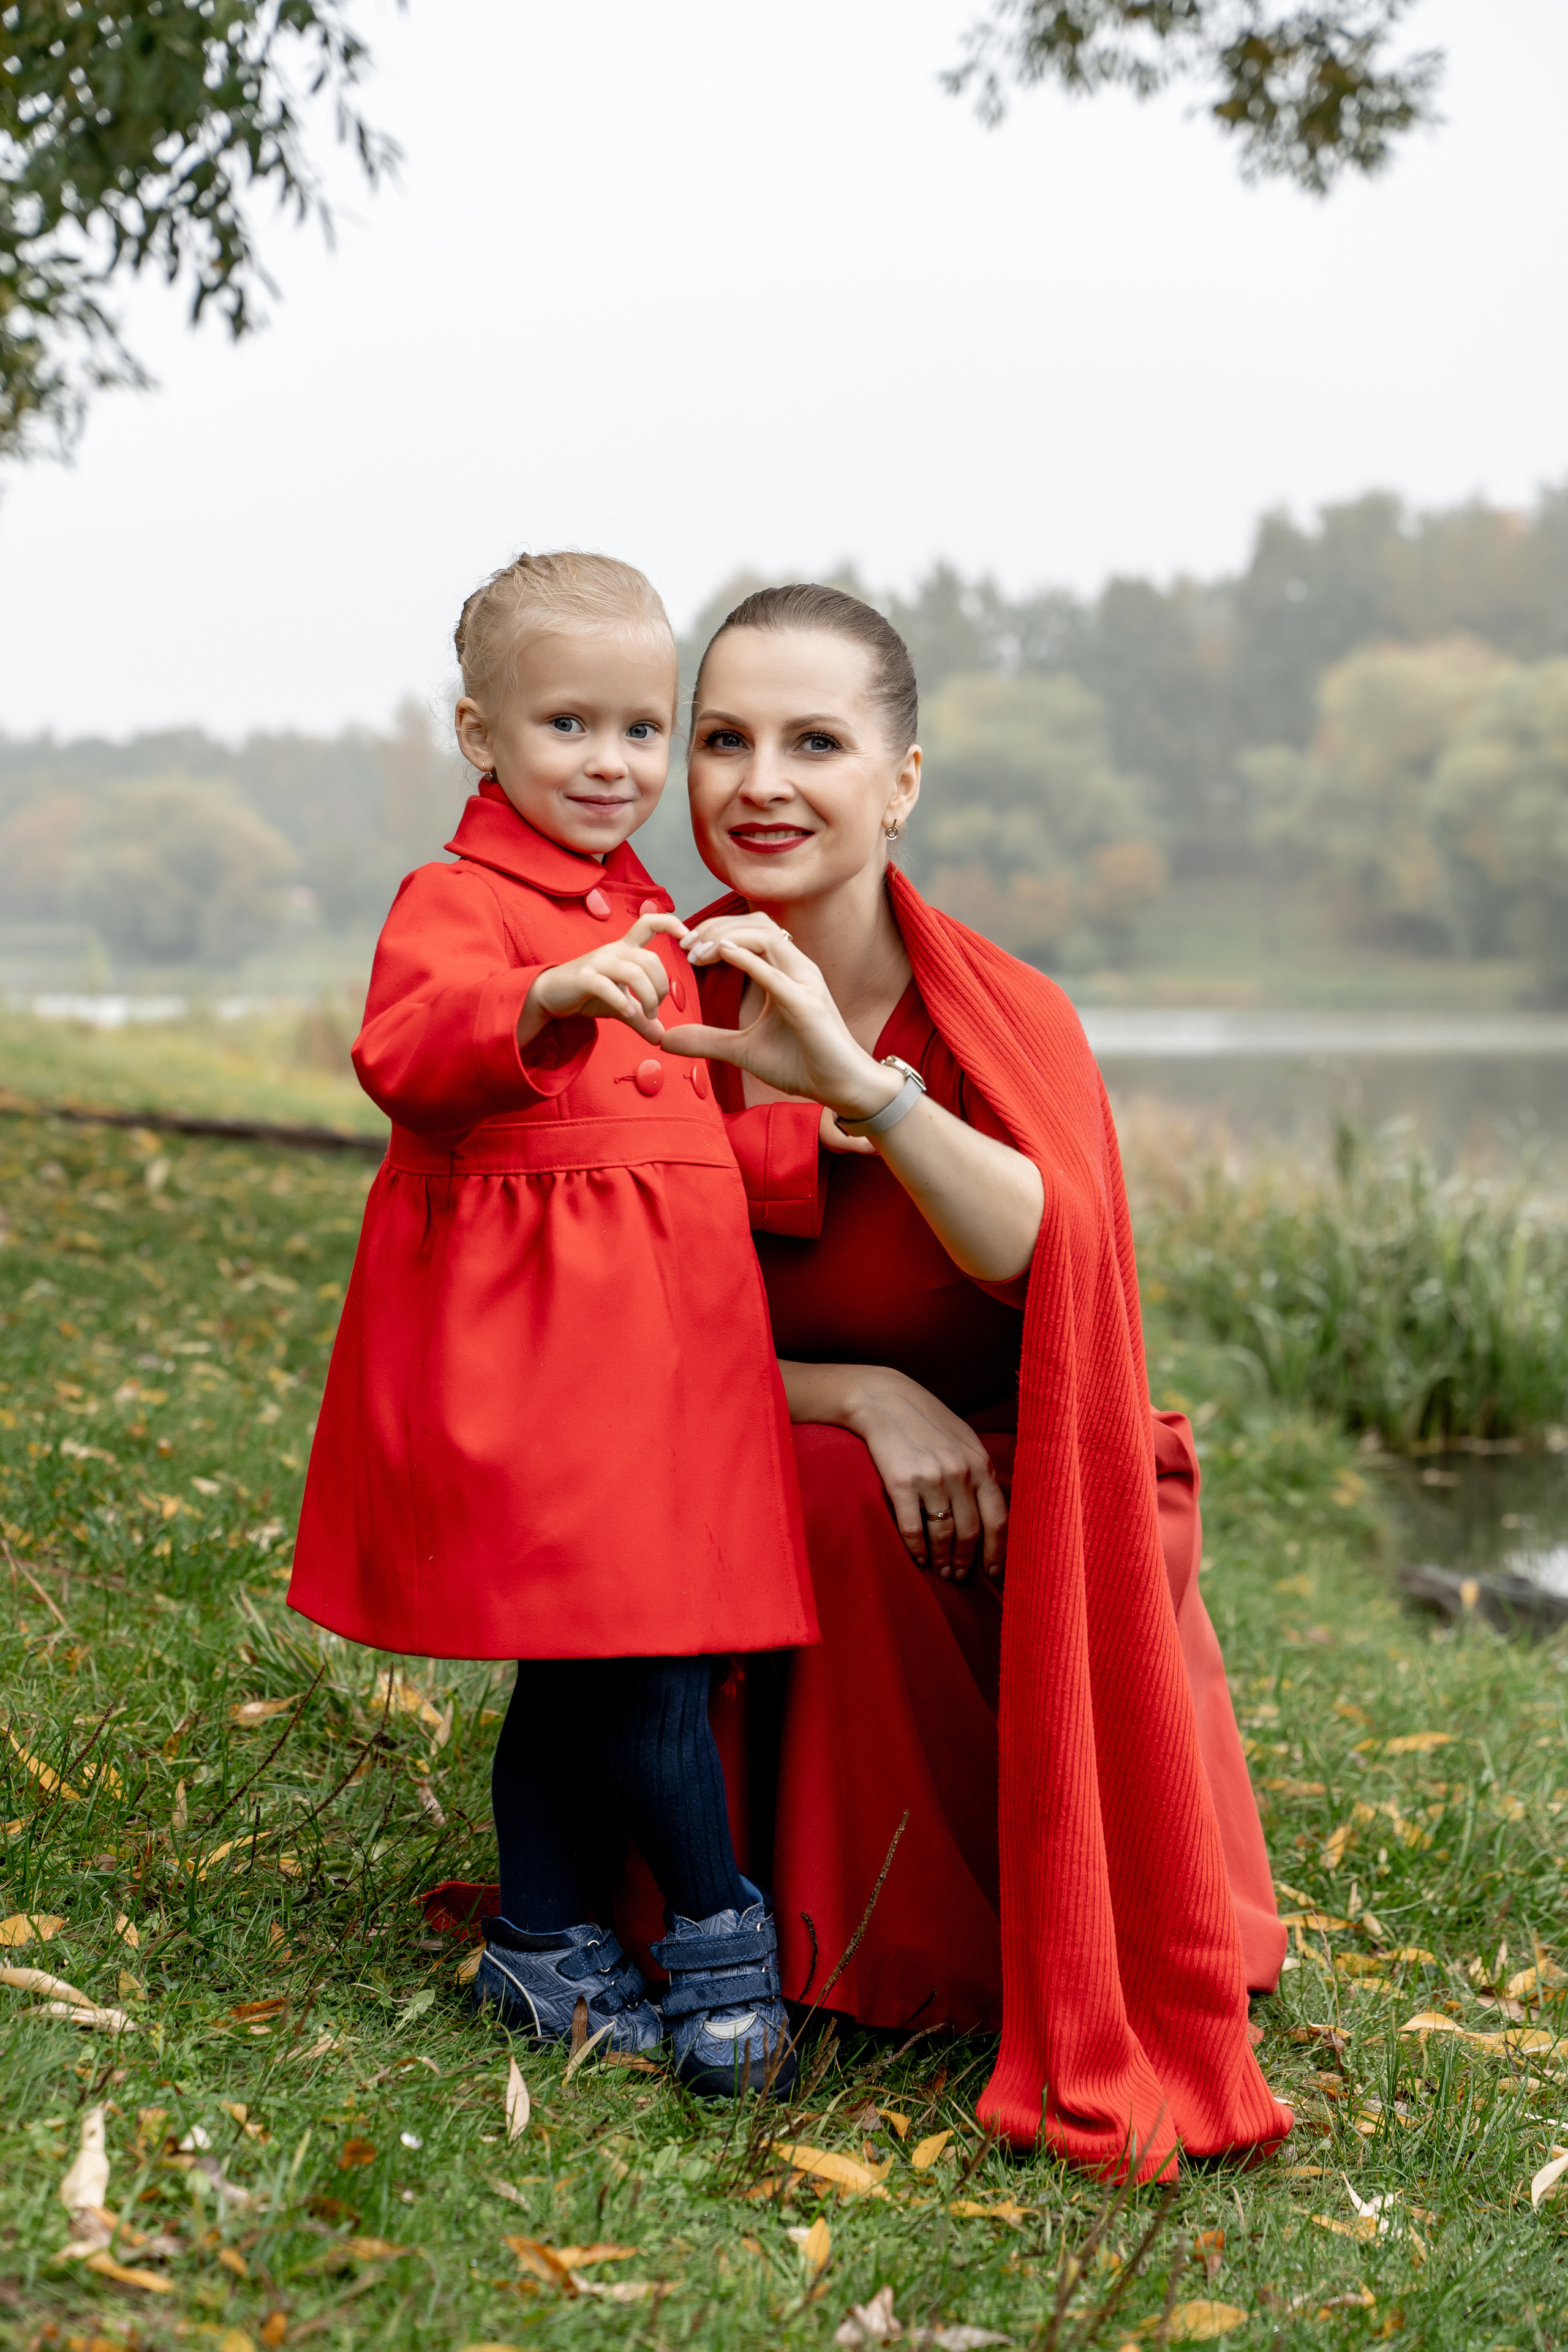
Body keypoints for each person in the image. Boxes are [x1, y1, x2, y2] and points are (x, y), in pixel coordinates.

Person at [658, 582, 1291, 2177]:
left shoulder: (1006, 1016)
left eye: (815, 742)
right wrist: (855, 1393)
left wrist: (859, 1088)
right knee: (820, 1482)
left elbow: (1043, 1249)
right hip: (768, 1452)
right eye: (723, 740)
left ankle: (995, 1917)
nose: (760, 782)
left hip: (1027, 1489)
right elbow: (610, 1334)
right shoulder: (653, 1002)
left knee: (899, 1499)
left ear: (902, 783)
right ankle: (789, 1919)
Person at [289, 552, 818, 2096]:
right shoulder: (457, 902)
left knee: (589, 1665)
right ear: (480, 734)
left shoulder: (655, 911)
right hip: (546, 1362)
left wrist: (818, 1126)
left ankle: (539, 1937)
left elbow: (686, 1120)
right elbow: (404, 1051)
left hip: (673, 1354)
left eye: (643, 729)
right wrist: (536, 1000)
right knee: (645, 1658)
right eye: (566, 725)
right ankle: (717, 1935)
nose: (612, 763)